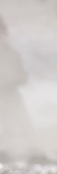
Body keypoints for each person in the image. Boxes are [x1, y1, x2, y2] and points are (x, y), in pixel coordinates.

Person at [0, 14, 31, 143]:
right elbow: (21, 75)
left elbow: (21, 75)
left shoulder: (9, 51)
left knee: (19, 130)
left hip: (9, 95)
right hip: (9, 96)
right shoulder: (9, 50)